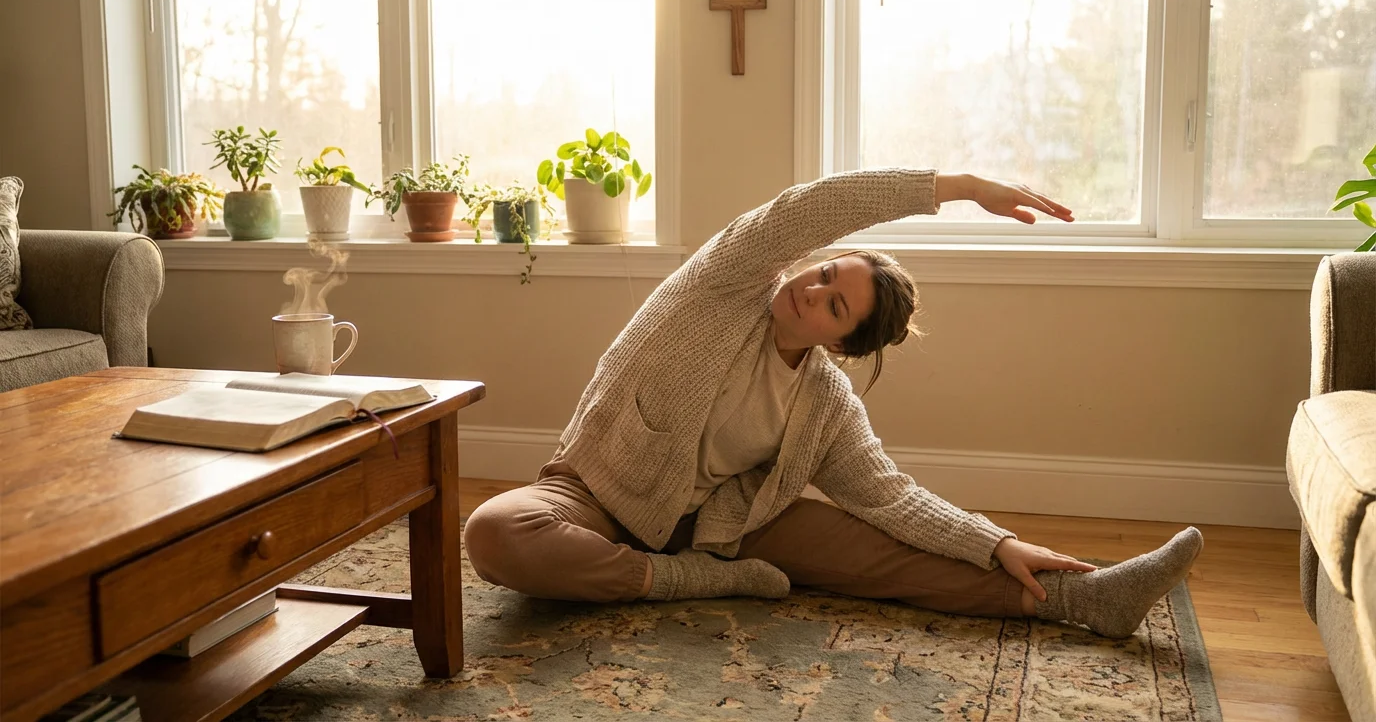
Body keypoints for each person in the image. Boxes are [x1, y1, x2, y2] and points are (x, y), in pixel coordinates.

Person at [465, 168, 1202, 639]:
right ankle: (686, 584)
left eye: (833, 302)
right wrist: (956, 187)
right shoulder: (717, 291)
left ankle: (1083, 603)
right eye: (821, 274)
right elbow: (807, 209)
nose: (810, 289)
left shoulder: (825, 400)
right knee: (497, 533)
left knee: (887, 556)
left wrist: (998, 543)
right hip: (595, 494)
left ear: (842, 344)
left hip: (722, 523)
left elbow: (891, 498)